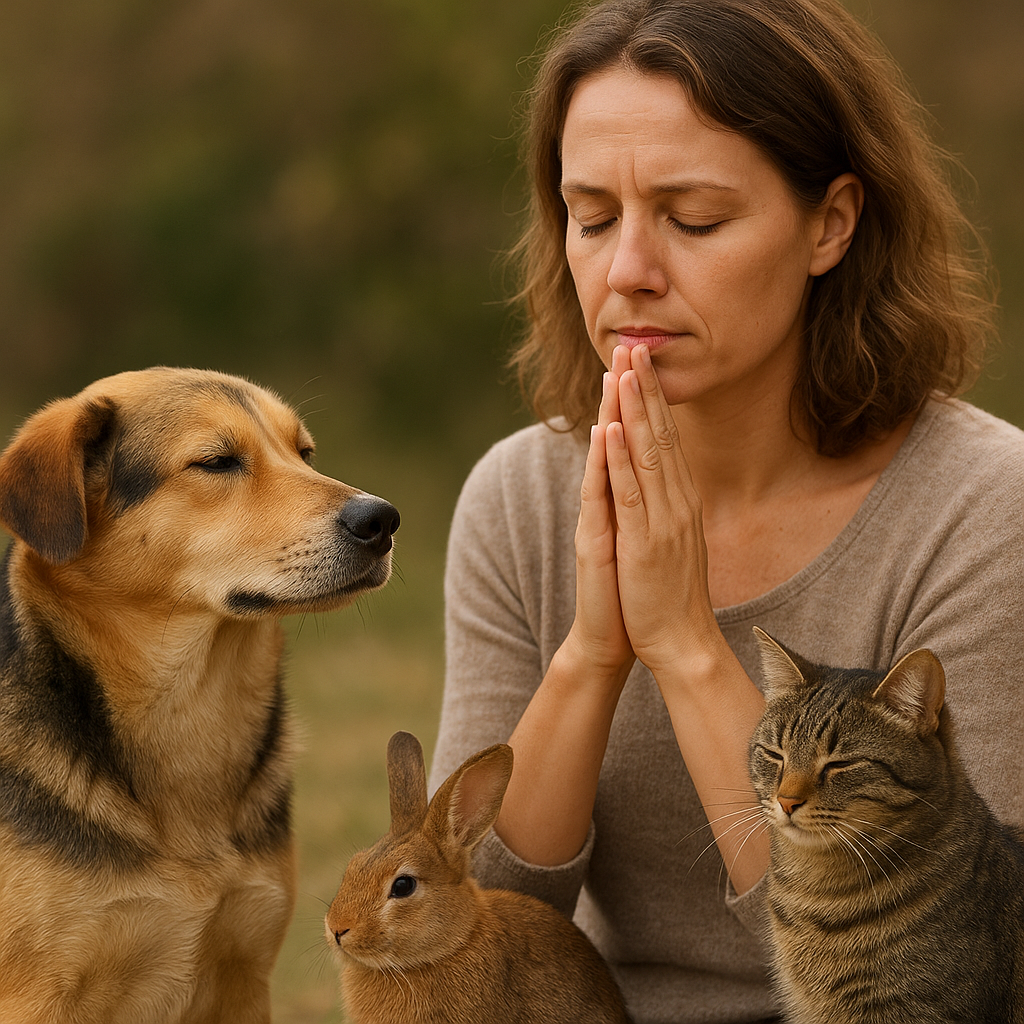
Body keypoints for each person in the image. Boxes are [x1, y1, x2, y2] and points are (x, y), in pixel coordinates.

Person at [429, 1, 1024, 1021]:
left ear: (830, 224)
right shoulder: (518, 497)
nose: (627, 273)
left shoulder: (982, 506)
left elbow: (952, 946)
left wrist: (687, 645)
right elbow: (469, 939)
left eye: (693, 219)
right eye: (592, 215)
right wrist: (591, 652)